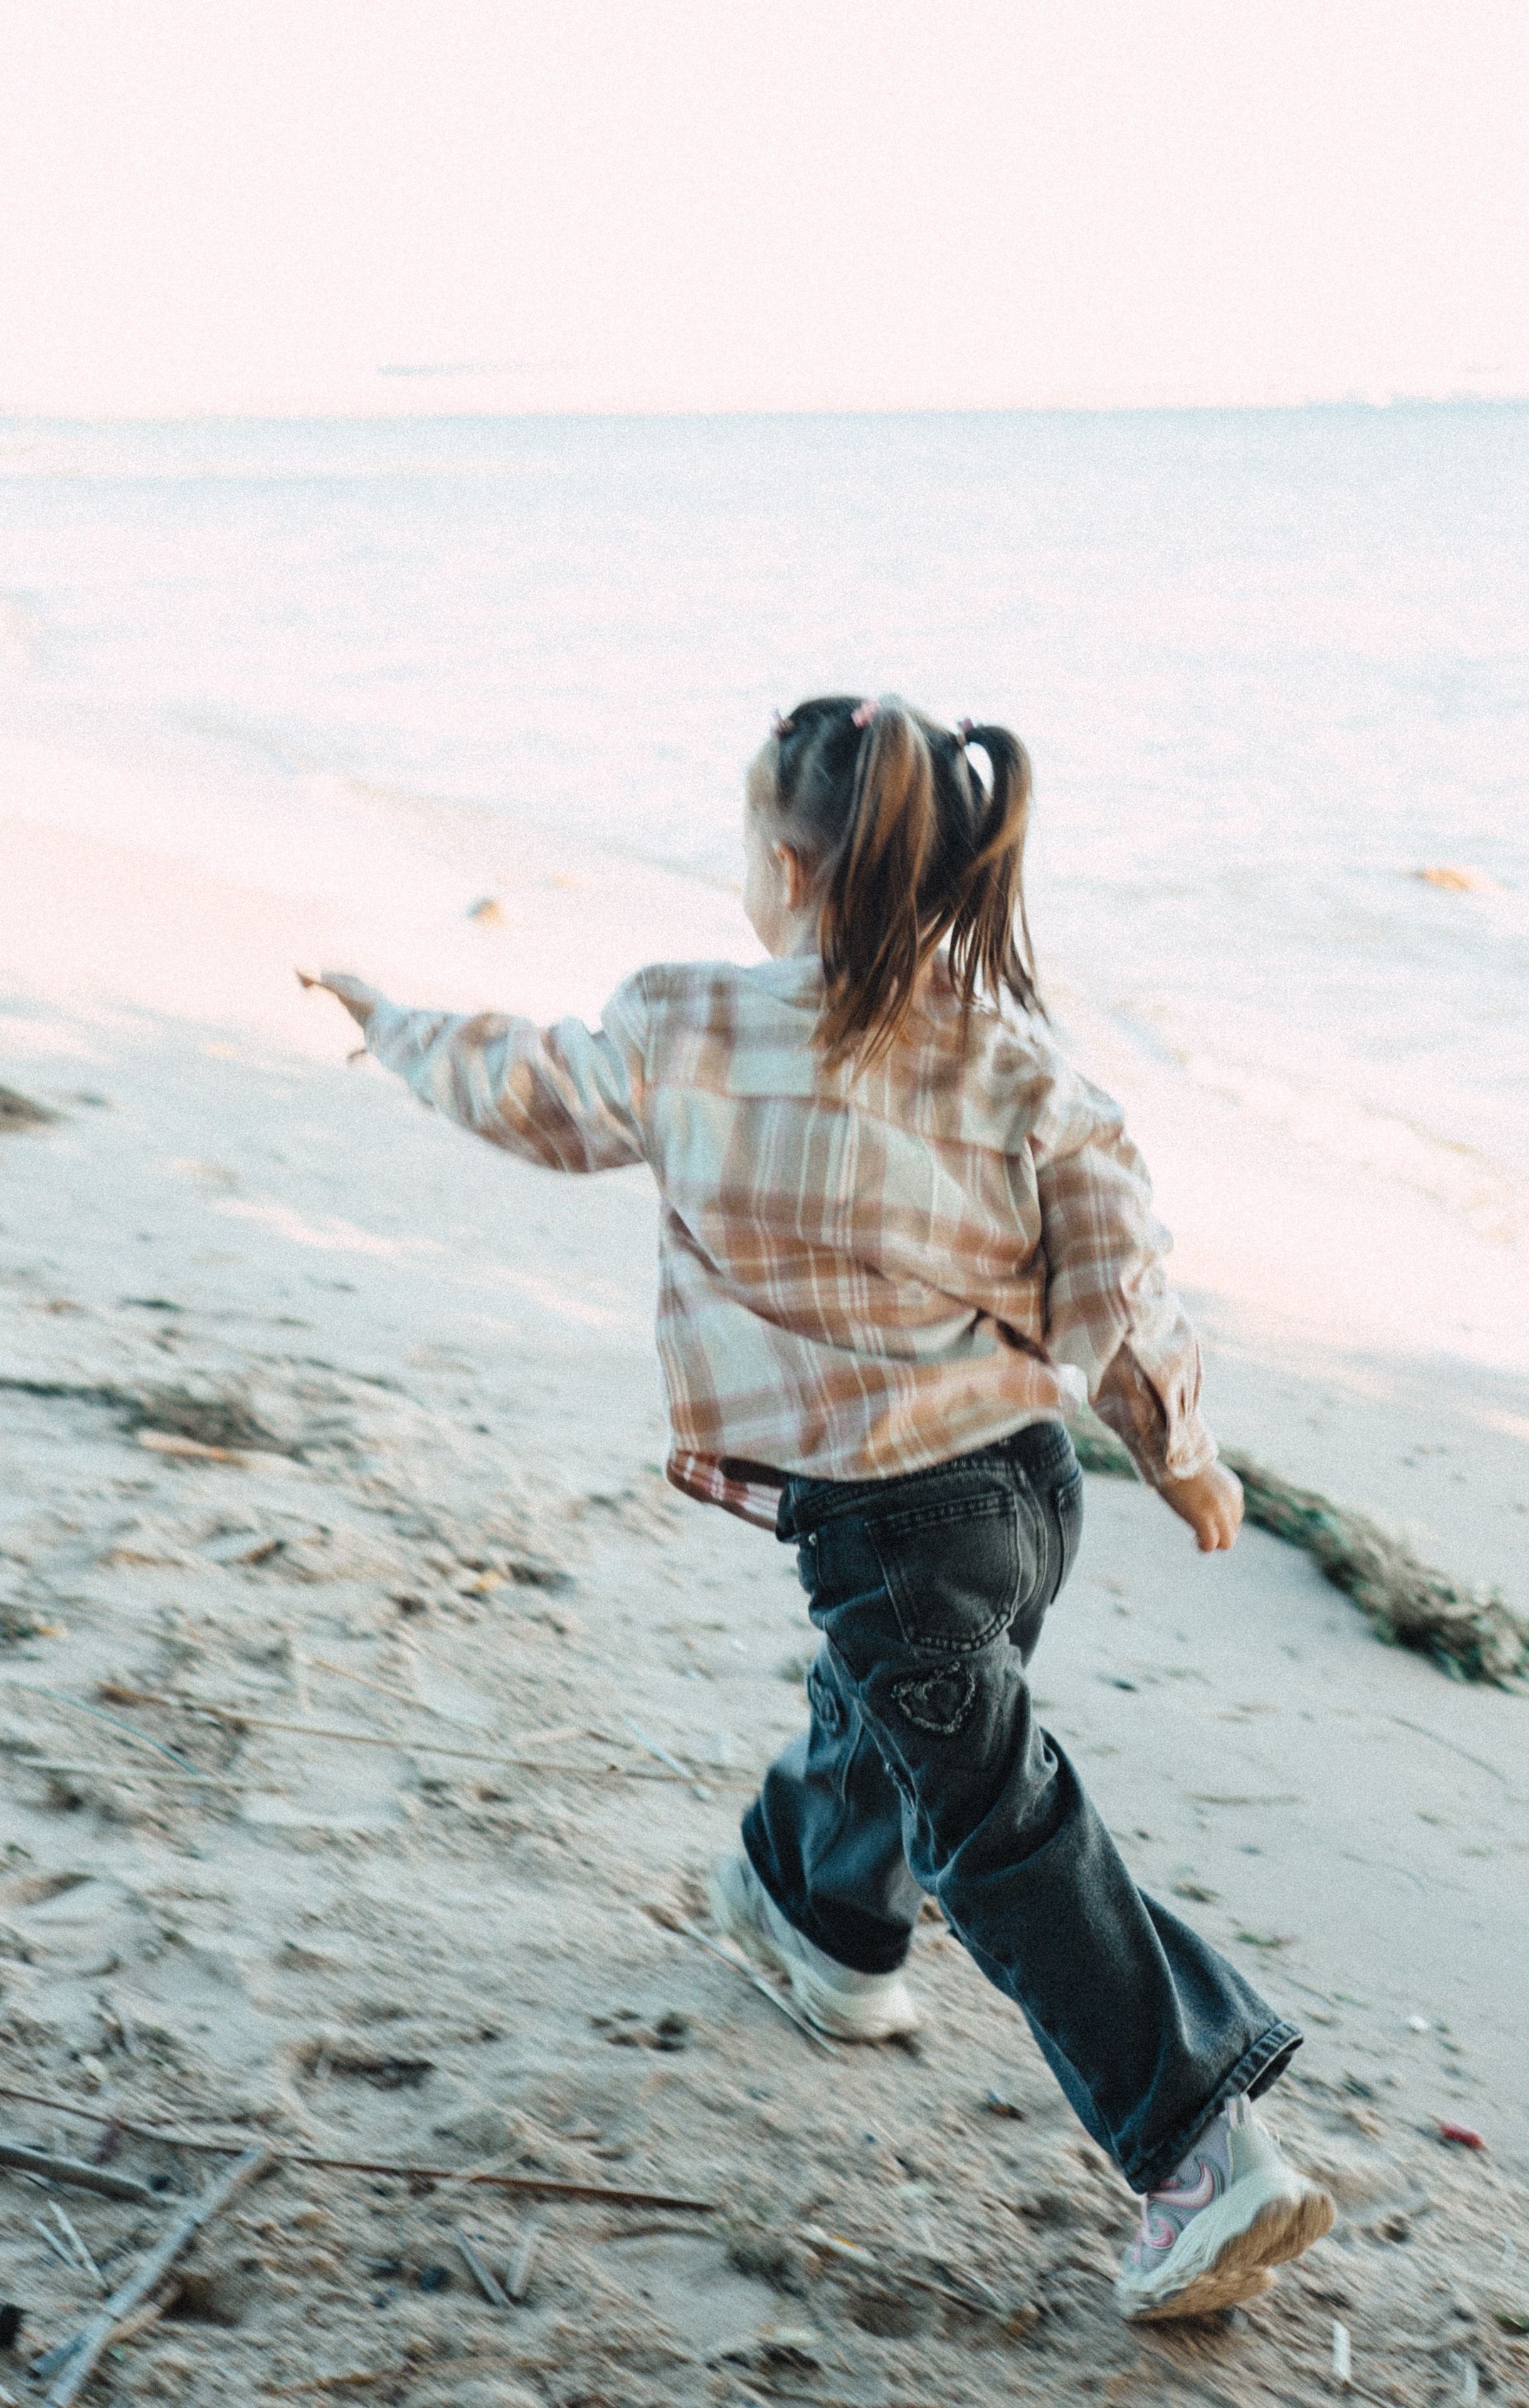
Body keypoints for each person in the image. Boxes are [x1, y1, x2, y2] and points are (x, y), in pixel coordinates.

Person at [305, 693, 1334, 2321]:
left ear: (783, 867)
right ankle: (823, 1919)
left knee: (994, 1824)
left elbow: (529, 1092)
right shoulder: (1016, 1065)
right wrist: (1183, 1452)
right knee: (897, 1713)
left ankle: (1204, 2148)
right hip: (1026, 1494)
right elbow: (1117, 1278)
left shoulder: (686, 1025)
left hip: (885, 1522)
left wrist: (391, 1023)